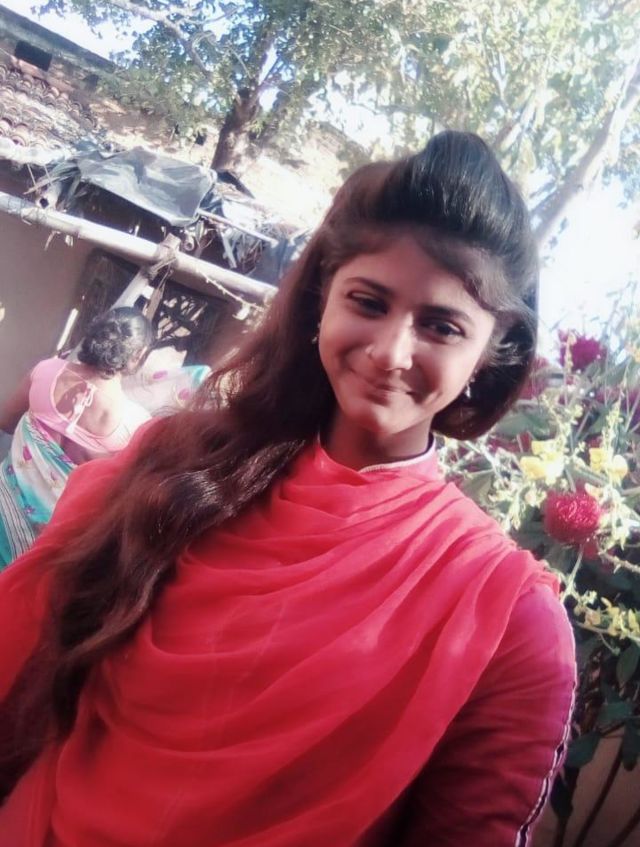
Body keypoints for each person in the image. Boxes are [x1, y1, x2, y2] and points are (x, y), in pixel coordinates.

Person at [0, 132, 575, 846]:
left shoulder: (505, 622)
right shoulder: (171, 467)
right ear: (323, 298)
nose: (391, 351)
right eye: (369, 301)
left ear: (491, 354)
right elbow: (25, 672)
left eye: (441, 325)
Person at [0, 307, 154, 568]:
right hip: (45, 546)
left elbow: (5, 421)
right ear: (138, 355)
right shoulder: (136, 424)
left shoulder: (46, 372)